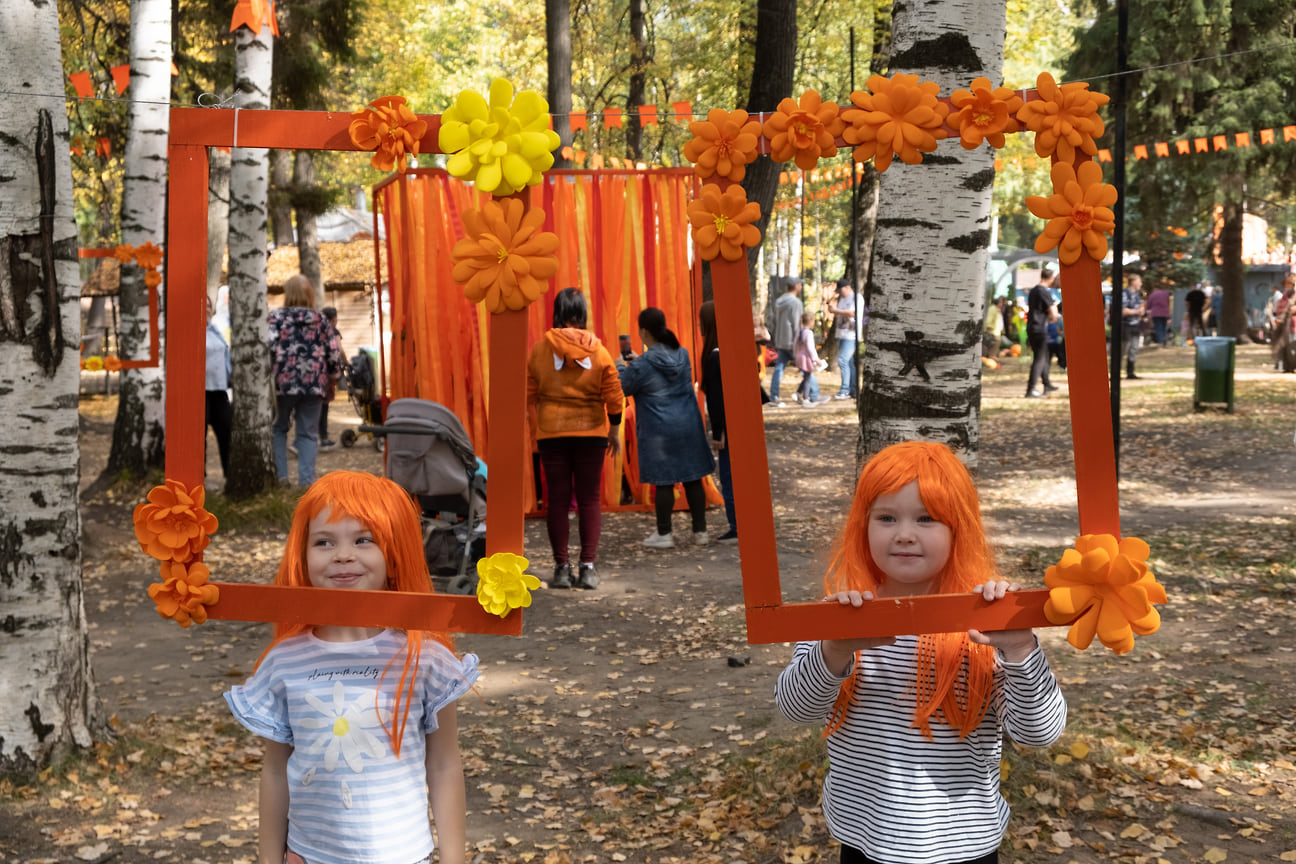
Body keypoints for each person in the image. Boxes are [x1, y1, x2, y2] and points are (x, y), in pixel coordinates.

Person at [774, 441, 1066, 864]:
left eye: (927, 518)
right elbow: (796, 708)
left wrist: (1020, 648)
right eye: (887, 517)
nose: (905, 533)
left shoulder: (984, 620)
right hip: (864, 840)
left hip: (963, 846)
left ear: (958, 528)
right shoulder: (839, 615)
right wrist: (834, 650)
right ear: (864, 524)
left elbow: (1039, 733)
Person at [225, 471, 478, 864]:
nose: (343, 555)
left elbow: (444, 764)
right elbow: (275, 772)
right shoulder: (285, 661)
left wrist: (455, 858)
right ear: (302, 553)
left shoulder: (424, 659)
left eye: (364, 540)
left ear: (394, 552)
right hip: (310, 856)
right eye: (324, 541)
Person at [526, 287, 624, 589]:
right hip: (591, 433)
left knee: (557, 501)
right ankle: (588, 567)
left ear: (556, 312)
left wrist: (537, 428)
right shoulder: (599, 351)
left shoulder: (540, 350)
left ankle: (561, 568)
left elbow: (530, 394)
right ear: (582, 314)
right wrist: (614, 430)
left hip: (551, 433)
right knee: (589, 499)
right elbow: (614, 396)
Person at [618, 307, 715, 549]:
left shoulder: (644, 363)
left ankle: (665, 533)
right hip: (688, 424)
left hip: (660, 429)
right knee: (693, 477)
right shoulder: (682, 354)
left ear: (642, 331)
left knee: (664, 481)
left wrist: (620, 366)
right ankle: (700, 532)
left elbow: (624, 387)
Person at [270, 274, 342, 486]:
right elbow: (333, 353)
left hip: (283, 385)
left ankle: (281, 477)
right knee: (309, 434)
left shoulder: (275, 318)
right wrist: (333, 379)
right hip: (314, 385)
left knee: (278, 428)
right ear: (310, 293)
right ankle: (306, 482)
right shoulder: (321, 320)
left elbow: (268, 348)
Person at [697, 301, 738, 543]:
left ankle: (737, 526)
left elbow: (717, 398)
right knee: (733, 476)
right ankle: (739, 524)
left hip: (729, 428)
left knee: (730, 477)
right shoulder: (730, 350)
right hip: (738, 425)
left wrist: (718, 432)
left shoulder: (715, 357)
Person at [205, 294, 233, 478]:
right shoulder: (190, 331)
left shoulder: (214, 329)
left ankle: (230, 477)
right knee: (199, 439)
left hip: (220, 390)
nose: (206, 308)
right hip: (200, 392)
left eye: (208, 305)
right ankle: (200, 479)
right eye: (202, 305)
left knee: (227, 434)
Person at [768, 278, 803, 406]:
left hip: (780, 339)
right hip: (792, 340)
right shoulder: (796, 303)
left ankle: (773, 395)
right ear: (796, 286)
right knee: (806, 367)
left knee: (779, 368)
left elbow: (774, 320)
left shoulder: (779, 301)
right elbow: (796, 323)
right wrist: (799, 340)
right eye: (800, 285)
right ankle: (813, 393)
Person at [1024, 267, 1059, 398]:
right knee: (1040, 358)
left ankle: (1047, 384)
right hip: (1039, 328)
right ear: (1050, 278)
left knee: (1044, 355)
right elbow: (1052, 311)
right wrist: (1054, 318)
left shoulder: (1034, 290)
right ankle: (1031, 388)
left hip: (1032, 327)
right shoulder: (1043, 291)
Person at [828, 282, 858, 400]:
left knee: (842, 360)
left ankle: (844, 390)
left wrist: (836, 310)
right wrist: (833, 310)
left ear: (847, 287)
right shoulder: (842, 299)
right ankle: (853, 389)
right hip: (841, 334)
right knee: (849, 363)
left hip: (851, 335)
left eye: (840, 290)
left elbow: (853, 313)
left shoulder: (856, 298)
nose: (839, 293)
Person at [318, 306, 342, 449]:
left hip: (315, 374)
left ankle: (319, 436)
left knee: (317, 406)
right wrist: (345, 363)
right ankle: (324, 437)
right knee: (324, 406)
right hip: (329, 374)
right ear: (334, 319)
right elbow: (338, 350)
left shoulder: (316, 331)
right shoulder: (334, 332)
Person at [793, 311, 824, 406]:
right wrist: (816, 359)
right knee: (807, 378)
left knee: (807, 376)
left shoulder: (799, 331)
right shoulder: (809, 333)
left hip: (799, 356)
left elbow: (795, 344)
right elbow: (810, 348)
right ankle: (806, 399)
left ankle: (797, 393)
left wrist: (795, 355)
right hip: (806, 358)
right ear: (810, 321)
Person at [1121, 274, 1146, 380]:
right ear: (1133, 282)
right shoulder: (1124, 293)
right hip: (1125, 325)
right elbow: (1123, 310)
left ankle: (1130, 372)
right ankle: (1115, 372)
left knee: (1134, 348)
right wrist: (1137, 312)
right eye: (1139, 281)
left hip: (1135, 325)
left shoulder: (1137, 294)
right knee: (1123, 349)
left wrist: (1141, 312)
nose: (1141, 283)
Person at [1145, 281, 1171, 346]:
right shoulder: (1166, 294)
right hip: (1165, 313)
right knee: (1164, 327)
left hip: (1156, 313)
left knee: (1158, 328)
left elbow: (1148, 305)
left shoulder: (1152, 294)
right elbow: (1168, 303)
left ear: (1155, 288)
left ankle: (1160, 342)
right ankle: (1164, 341)